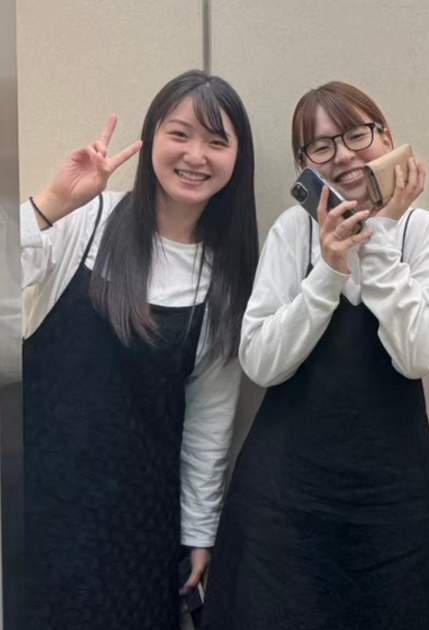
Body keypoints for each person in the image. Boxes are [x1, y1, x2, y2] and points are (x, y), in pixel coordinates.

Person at [203, 81, 429, 629]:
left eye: (356, 134)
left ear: (386, 137)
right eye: (321, 146)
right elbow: (260, 362)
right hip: (285, 499)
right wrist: (328, 271)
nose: (343, 155)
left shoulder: (423, 231)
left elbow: (417, 355)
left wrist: (381, 233)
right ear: (305, 164)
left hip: (392, 499)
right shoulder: (293, 230)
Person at [20, 69, 258, 630]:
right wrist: (51, 202)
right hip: (39, 500)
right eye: (180, 134)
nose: (195, 155)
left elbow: (208, 422)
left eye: (216, 141)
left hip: (140, 521)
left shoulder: (224, 278)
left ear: (237, 160)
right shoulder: (89, 216)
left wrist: (199, 533)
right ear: (151, 139)